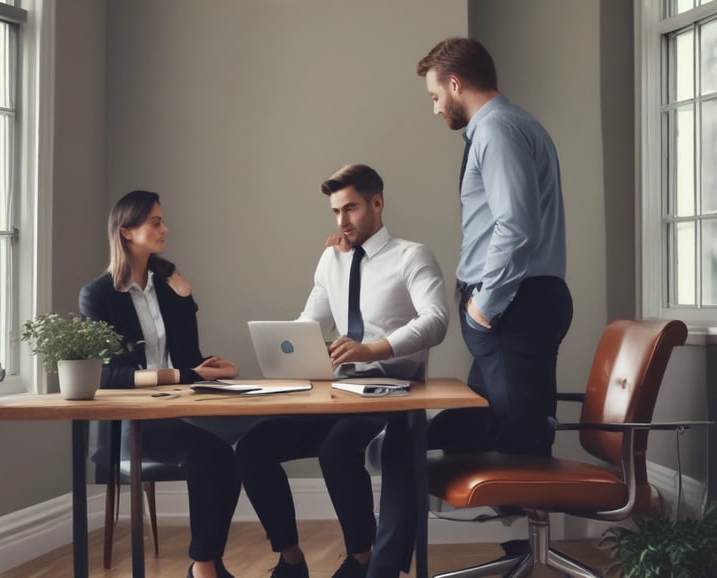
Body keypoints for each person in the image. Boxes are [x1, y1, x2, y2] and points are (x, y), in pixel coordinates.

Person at [367, 36, 575, 578]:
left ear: (455, 84)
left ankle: (382, 569)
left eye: (436, 95)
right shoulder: (510, 126)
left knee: (511, 433)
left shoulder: (499, 130)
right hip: (515, 307)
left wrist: (484, 307)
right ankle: (388, 565)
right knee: (424, 439)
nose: (435, 107)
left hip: (511, 307)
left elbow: (516, 228)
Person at [235, 164, 449, 578]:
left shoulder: (412, 255)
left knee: (337, 448)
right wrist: (287, 350)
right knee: (251, 448)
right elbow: (308, 324)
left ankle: (361, 559)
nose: (341, 221)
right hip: (339, 389)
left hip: (393, 388)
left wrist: (373, 348)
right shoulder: (332, 259)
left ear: (377, 203)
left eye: (350, 209)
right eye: (335, 212)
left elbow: (436, 320)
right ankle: (291, 559)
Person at [79, 190, 240, 578]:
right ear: (126, 231)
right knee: (207, 456)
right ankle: (205, 567)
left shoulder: (168, 285)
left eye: (162, 221)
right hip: (132, 421)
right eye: (155, 222)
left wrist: (211, 363)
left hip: (178, 409)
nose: (165, 228)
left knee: (232, 459)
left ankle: (208, 563)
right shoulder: (98, 296)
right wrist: (182, 376)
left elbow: (187, 360)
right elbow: (107, 375)